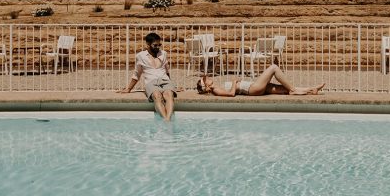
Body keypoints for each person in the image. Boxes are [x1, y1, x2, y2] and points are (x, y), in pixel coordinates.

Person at [117, 32, 177, 121]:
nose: (158, 47)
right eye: (155, 45)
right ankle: (166, 120)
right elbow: (137, 73)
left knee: (169, 94)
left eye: (159, 45)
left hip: (165, 80)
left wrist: (172, 84)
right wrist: (129, 89)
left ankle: (167, 119)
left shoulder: (163, 53)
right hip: (151, 82)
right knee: (157, 96)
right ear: (148, 44)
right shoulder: (141, 56)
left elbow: (167, 71)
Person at [196, 63, 325, 96]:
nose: (208, 78)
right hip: (252, 89)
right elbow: (231, 94)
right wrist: (235, 82)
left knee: (283, 89)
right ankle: (294, 90)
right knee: (273, 68)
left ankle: (310, 90)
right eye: (205, 80)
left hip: (252, 87)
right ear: (205, 86)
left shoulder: (216, 87)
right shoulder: (216, 90)